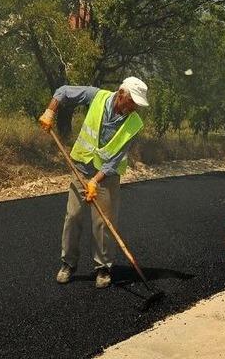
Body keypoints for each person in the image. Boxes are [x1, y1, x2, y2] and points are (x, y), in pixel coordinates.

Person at [38, 76, 149, 289]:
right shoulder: (96, 96)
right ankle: (68, 264)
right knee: (73, 216)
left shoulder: (135, 123)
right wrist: (50, 111)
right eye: (132, 101)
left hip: (107, 175)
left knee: (103, 222)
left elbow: (115, 158)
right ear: (121, 93)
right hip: (81, 165)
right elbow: (63, 91)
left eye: (137, 104)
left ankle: (103, 268)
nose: (134, 107)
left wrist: (95, 181)